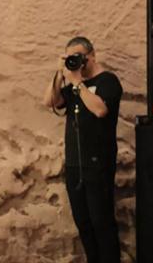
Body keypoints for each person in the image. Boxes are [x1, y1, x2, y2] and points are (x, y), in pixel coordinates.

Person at [43, 36, 122, 263]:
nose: (75, 62)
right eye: (70, 57)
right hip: (75, 164)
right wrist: (60, 74)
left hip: (99, 164)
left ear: (92, 56)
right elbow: (49, 101)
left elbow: (100, 110)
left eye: (78, 57)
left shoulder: (108, 81)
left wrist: (78, 83)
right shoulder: (73, 86)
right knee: (84, 224)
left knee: (102, 224)